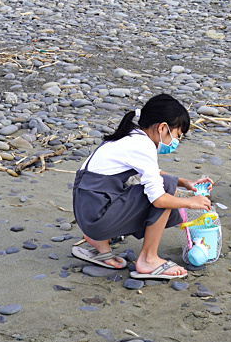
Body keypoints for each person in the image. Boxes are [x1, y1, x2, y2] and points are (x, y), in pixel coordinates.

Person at [71, 94, 212, 280]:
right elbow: (159, 199)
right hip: (96, 216)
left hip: (87, 210)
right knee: (166, 193)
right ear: (162, 128)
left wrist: (185, 182)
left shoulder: (131, 136)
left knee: (168, 197)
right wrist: (189, 202)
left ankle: (99, 240)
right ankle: (148, 259)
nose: (176, 141)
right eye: (177, 135)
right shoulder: (143, 145)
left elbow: (151, 172)